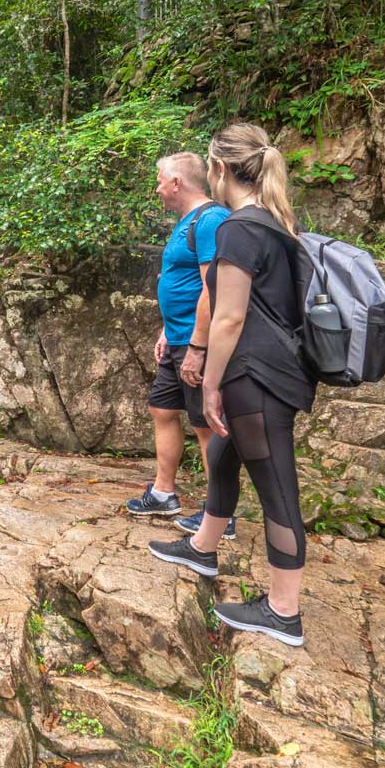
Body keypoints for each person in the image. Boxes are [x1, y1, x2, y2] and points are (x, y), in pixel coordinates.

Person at [147, 123, 317, 648]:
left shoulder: (239, 229)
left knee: (277, 489)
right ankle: (202, 545)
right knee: (222, 455)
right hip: (267, 371)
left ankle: (283, 610)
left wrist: (211, 382)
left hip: (255, 376)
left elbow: (229, 317)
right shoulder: (271, 223)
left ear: (219, 170)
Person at [126, 152, 234, 540]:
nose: (156, 188)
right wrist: (166, 332)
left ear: (176, 182)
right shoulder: (186, 224)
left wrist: (197, 346)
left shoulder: (210, 221)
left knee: (206, 425)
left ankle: (220, 512)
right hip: (177, 339)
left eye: (159, 180)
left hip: (196, 343)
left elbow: (213, 287)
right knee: (162, 409)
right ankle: (163, 493)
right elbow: (181, 285)